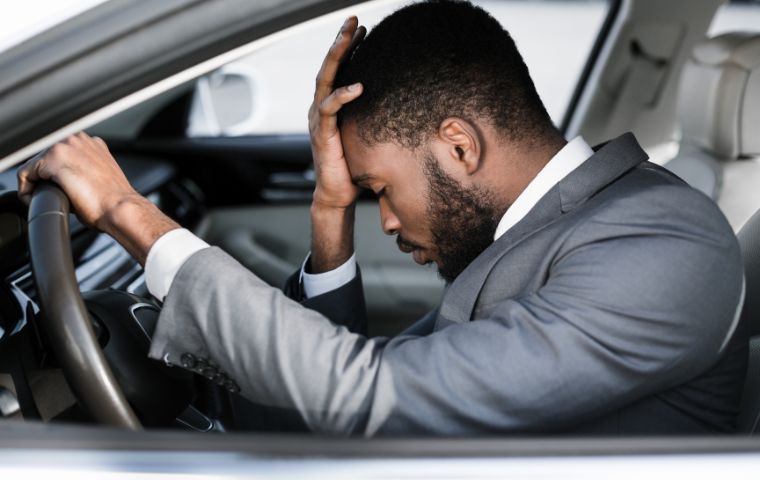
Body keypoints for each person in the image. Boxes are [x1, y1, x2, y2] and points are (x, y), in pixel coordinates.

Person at [17, 0, 747, 435]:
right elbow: (329, 399)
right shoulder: (552, 230)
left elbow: (375, 397)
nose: (387, 222)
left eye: (380, 190)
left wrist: (127, 213)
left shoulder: (664, 246)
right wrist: (333, 210)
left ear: (457, 146)